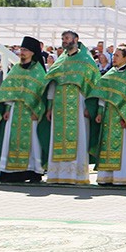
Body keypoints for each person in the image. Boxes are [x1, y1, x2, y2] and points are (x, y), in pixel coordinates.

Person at [44, 30, 101, 185]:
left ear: (76, 40)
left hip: (79, 105)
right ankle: (57, 174)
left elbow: (94, 85)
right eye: (63, 38)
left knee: (79, 138)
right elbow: (52, 84)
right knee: (58, 138)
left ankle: (77, 175)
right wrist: (49, 107)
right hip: (59, 106)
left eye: (67, 38)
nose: (64, 41)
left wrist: (91, 106)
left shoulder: (86, 60)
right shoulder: (60, 61)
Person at [0, 36, 50, 183]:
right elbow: (8, 90)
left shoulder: (38, 71)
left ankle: (33, 171)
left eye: (25, 50)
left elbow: (41, 94)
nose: (21, 52)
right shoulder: (16, 68)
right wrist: (6, 108)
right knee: (11, 140)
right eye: (21, 49)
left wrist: (37, 111)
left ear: (32, 52)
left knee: (33, 142)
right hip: (14, 111)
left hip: (31, 113)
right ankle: (11, 173)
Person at [90, 47, 126, 186]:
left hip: (123, 118)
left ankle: (123, 177)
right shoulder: (110, 74)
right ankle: (106, 177)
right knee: (106, 145)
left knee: (123, 147)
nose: (114, 58)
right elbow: (103, 95)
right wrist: (100, 112)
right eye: (113, 55)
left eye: (117, 55)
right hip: (108, 116)